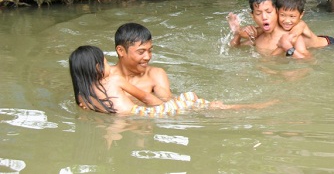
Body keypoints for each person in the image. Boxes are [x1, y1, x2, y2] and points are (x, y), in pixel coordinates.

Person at [69, 46, 274, 115]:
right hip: (146, 114)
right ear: (98, 68)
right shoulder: (113, 81)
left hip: (129, 119)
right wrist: (173, 106)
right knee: (192, 98)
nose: (109, 66)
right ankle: (245, 106)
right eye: (105, 63)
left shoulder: (82, 96)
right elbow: (147, 99)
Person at [228, 0, 310, 58]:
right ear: (252, 16)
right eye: (258, 13)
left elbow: (308, 60)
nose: (264, 17)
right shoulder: (258, 37)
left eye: (269, 12)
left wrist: (289, 48)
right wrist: (237, 33)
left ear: (277, 11)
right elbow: (235, 48)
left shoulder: (290, 36)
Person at [113, 22, 172, 102]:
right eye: (141, 52)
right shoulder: (104, 76)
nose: (147, 57)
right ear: (121, 51)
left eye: (150, 50)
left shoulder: (155, 75)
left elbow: (167, 106)